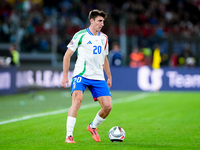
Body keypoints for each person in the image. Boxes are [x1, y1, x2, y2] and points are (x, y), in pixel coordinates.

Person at [61, 9, 112, 143]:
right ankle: (69, 136)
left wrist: (109, 76)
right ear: (92, 21)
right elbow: (67, 56)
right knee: (77, 101)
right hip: (81, 75)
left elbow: (104, 58)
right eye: (99, 21)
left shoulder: (104, 38)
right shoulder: (80, 35)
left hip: (98, 77)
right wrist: (65, 76)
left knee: (108, 107)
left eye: (103, 21)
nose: (102, 24)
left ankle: (92, 126)